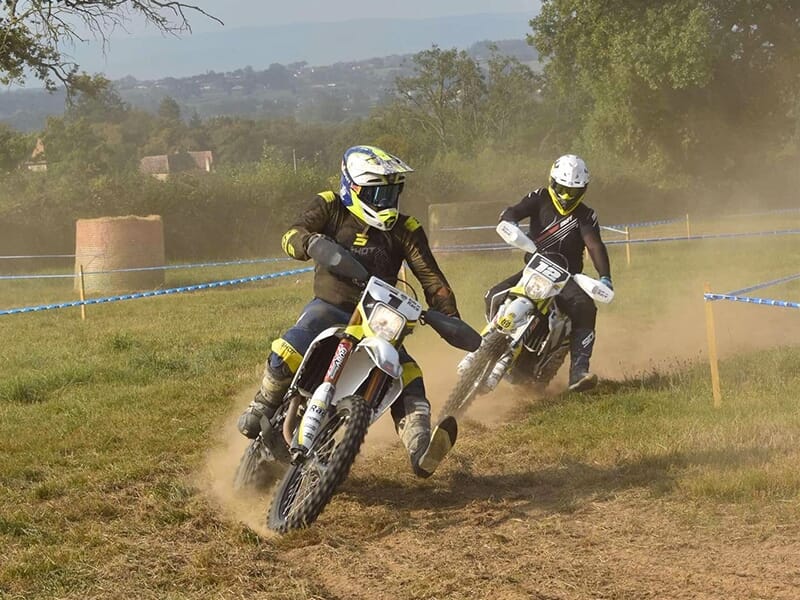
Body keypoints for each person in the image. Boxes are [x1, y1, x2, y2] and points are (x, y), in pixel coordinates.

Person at [238, 145, 461, 477]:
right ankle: (265, 403)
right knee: (290, 346)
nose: (386, 201)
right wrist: (310, 243)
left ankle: (420, 446)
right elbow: (291, 234)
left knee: (407, 374)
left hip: (381, 322)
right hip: (330, 308)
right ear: (353, 188)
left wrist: (448, 315)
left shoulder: (406, 228)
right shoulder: (330, 206)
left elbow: (430, 277)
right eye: (378, 192)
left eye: (391, 192)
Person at [476, 154, 612, 392]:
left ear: (583, 190)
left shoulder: (586, 215)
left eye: (573, 191)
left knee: (586, 308)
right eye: (562, 189)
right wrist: (509, 223)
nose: (567, 195)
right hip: (534, 268)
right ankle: (490, 345)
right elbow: (513, 211)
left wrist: (605, 277)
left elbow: (594, 245)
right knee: (493, 294)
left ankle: (579, 371)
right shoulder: (539, 198)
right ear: (552, 181)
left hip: (566, 277)